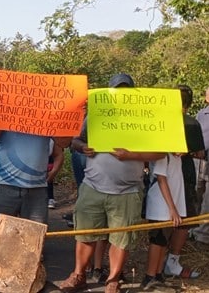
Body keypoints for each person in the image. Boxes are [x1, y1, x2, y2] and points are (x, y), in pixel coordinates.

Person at [59, 73, 164, 293]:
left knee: (121, 238)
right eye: (118, 89)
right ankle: (79, 275)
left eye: (126, 90)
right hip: (93, 186)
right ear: (110, 92)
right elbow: (74, 140)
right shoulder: (95, 115)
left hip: (127, 191)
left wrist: (132, 155)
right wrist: (81, 147)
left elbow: (160, 152)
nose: (121, 93)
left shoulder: (143, 118)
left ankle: (113, 279)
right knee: (85, 234)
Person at [0, 91, 71, 269]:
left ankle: (25, 281)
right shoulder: (7, 113)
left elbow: (64, 142)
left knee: (33, 238)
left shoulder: (48, 117)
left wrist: (70, 115)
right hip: (5, 184)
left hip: (37, 188)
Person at [163, 84, 205, 278]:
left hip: (161, 176)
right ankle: (172, 260)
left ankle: (163, 262)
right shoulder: (191, 123)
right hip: (182, 176)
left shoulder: (159, 121)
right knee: (184, 219)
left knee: (164, 218)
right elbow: (199, 153)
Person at [142, 153, 185, 290]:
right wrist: (172, 208)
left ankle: (158, 273)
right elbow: (161, 179)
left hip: (172, 205)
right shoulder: (163, 155)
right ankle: (150, 276)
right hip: (161, 206)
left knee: (164, 240)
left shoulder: (177, 158)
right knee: (157, 239)